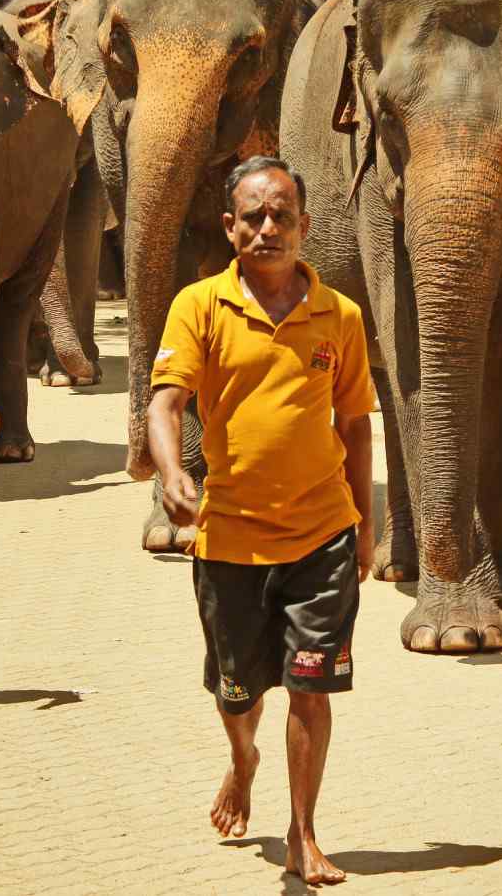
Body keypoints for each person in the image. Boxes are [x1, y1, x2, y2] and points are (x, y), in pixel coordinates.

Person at [147, 156, 375, 886]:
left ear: (306, 226)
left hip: (322, 536)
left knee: (311, 685)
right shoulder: (200, 306)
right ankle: (243, 758)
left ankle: (302, 833)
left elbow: (357, 424)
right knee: (236, 689)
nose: (268, 228)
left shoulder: (339, 316)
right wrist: (173, 472)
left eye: (282, 215)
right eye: (254, 216)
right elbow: (164, 404)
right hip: (231, 539)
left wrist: (365, 524)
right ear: (230, 227)